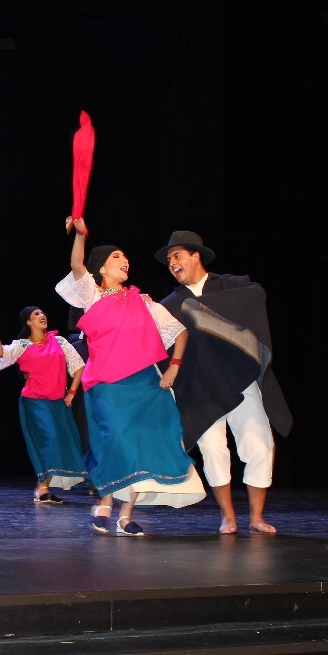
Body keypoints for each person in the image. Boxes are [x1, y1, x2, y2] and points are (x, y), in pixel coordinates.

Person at [55, 217, 205, 537]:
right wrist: (80, 235)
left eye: (125, 256)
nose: (125, 260)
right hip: (106, 384)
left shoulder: (142, 301)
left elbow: (179, 332)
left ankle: (125, 516)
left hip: (143, 383)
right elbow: (76, 264)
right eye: (116, 256)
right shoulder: (92, 296)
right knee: (116, 440)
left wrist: (174, 367)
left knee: (137, 444)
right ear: (101, 268)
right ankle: (106, 501)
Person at [156, 230, 292, 534]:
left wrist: (202, 309)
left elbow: (256, 296)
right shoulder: (171, 304)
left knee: (259, 444)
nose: (172, 263)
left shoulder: (231, 286)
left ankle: (256, 517)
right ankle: (227, 517)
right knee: (213, 450)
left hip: (238, 380)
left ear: (196, 256)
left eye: (177, 255)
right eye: (168, 260)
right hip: (201, 389)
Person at [0, 307, 88, 503]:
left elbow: (79, 366)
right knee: (50, 441)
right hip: (35, 401)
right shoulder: (22, 345)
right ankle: (42, 487)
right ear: (28, 322)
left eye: (42, 313)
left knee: (59, 443)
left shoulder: (59, 341)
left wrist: (71, 393)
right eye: (36, 314)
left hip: (58, 402)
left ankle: (42, 488)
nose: (42, 315)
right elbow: (0, 352)